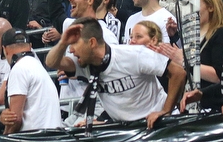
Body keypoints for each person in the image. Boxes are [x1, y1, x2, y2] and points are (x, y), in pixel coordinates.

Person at [48, 17, 185, 128]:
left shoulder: (133, 55)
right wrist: (63, 42)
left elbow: (178, 72)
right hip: (126, 128)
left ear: (92, 43)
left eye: (74, 44)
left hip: (156, 123)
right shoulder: (84, 63)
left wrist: (165, 112)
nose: (71, 50)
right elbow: (51, 63)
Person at [0, 29, 62, 133]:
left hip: (35, 137)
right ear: (30, 46)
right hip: (53, 135)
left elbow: (15, 119)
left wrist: (4, 136)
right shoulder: (37, 66)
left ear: (4, 49)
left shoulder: (19, 69)